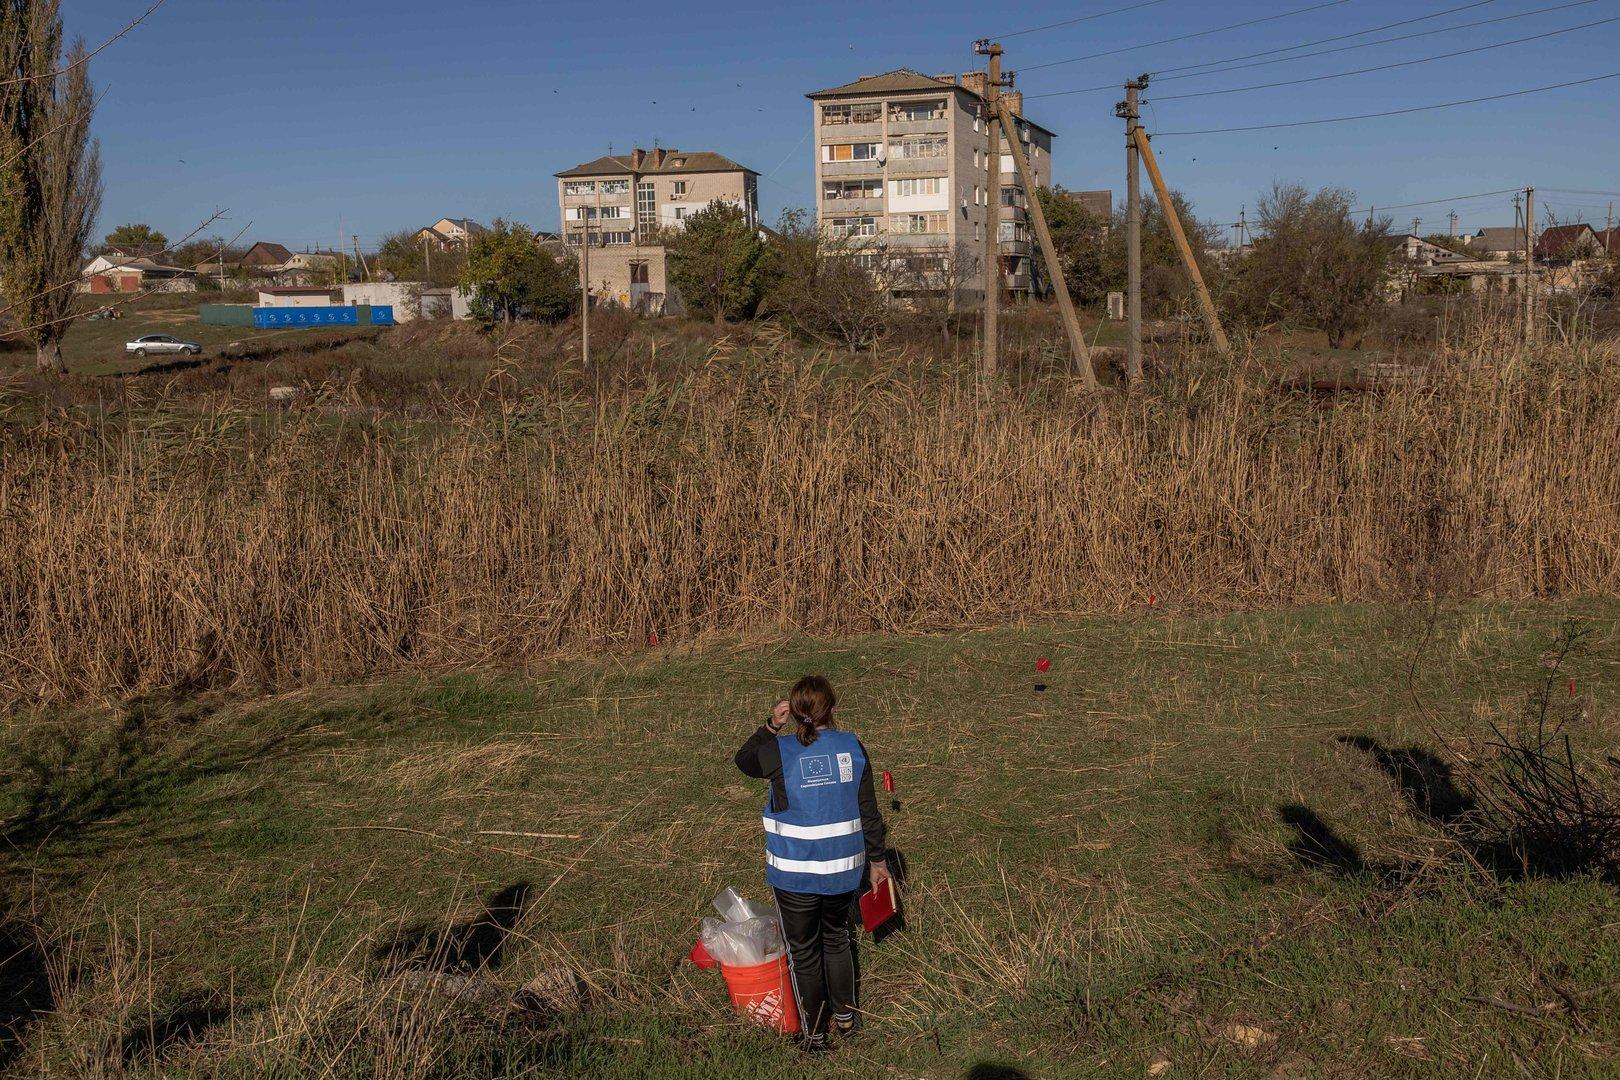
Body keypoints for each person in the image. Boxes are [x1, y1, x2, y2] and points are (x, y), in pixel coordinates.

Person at [734, 675, 890, 1051]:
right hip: (842, 872)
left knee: (804, 952)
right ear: (831, 708)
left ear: (795, 710)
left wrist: (772, 725)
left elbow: (743, 760)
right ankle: (847, 1021)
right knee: (837, 940)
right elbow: (869, 811)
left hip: (793, 876)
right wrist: (878, 862)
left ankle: (816, 1036)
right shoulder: (852, 746)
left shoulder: (779, 750)